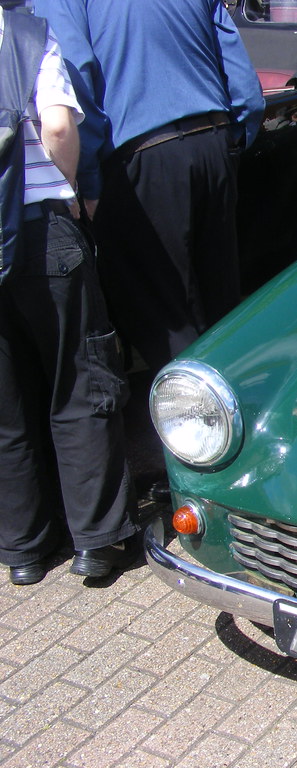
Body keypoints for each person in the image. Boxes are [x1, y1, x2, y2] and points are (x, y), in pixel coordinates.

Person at [31, 0, 265, 375]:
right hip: (212, 140)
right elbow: (244, 87)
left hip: (140, 157)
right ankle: (238, 408)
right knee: (220, 307)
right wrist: (230, 141)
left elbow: (75, 79)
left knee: (164, 317)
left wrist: (88, 183)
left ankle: (198, 422)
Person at [0, 5, 139, 585]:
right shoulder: (26, 32)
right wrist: (74, 193)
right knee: (79, 384)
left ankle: (24, 549)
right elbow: (58, 125)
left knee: (6, 403)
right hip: (40, 229)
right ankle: (95, 540)